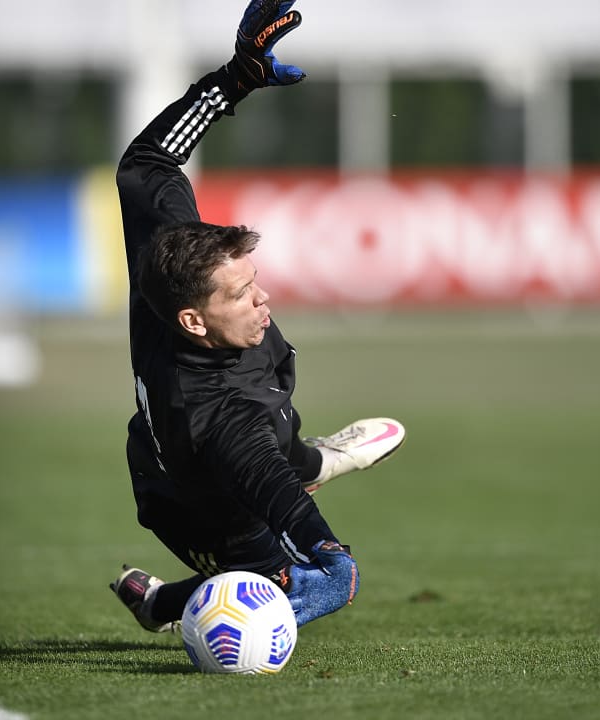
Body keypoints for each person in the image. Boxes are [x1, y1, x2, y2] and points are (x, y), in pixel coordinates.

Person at [109, 0, 405, 631]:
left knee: (277, 453)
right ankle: (308, 471)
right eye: (242, 296)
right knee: (263, 579)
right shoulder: (220, 419)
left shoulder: (171, 258)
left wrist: (234, 78)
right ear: (194, 321)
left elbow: (146, 164)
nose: (263, 300)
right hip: (188, 498)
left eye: (255, 281)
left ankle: (311, 460)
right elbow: (278, 501)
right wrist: (333, 561)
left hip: (248, 438)